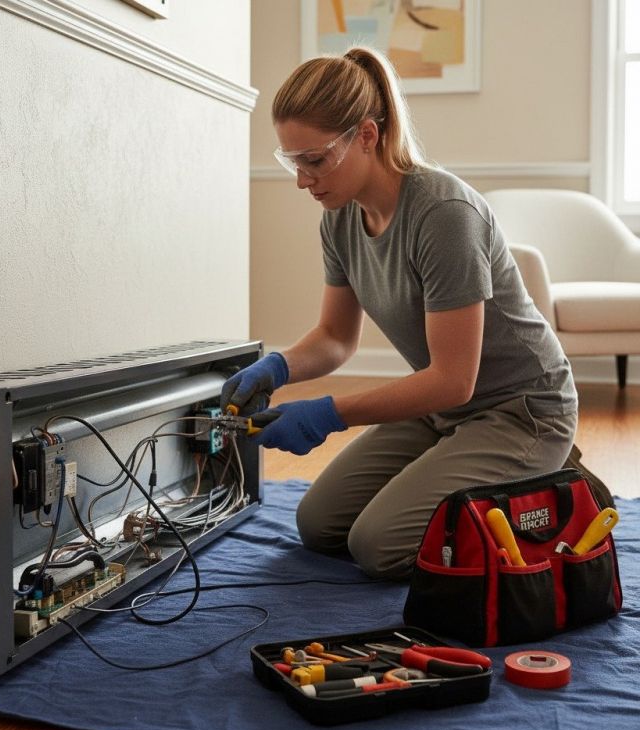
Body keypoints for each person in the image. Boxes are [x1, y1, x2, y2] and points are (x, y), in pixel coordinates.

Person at [221, 46, 592, 581]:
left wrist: (329, 415)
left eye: (314, 160)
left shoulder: (443, 214)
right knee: (319, 524)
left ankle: (545, 479)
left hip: (523, 411)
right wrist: (276, 367)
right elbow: (334, 337)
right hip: (444, 412)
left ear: (367, 136)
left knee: (379, 546)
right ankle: (473, 473)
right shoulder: (339, 219)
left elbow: (453, 379)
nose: (302, 179)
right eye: (291, 161)